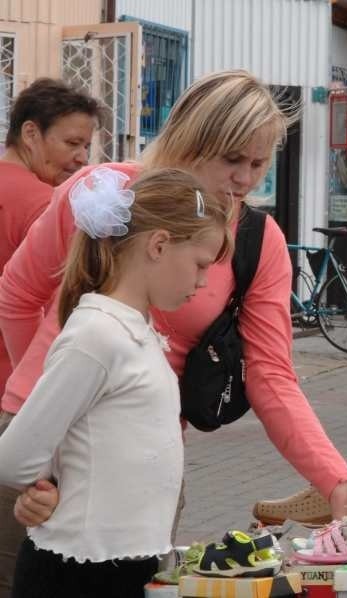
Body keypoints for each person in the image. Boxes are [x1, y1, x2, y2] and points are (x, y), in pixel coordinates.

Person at [0, 70, 347, 592]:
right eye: (231, 159)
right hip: (42, 446)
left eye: (258, 164)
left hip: (140, 451)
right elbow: (18, 296)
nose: (244, 179)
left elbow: (270, 375)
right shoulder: (106, 194)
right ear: (190, 141)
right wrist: (41, 401)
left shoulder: (257, 241)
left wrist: (335, 478)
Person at [0, 166, 232, 597]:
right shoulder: (97, 335)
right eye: (200, 265)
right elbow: (14, 457)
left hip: (122, 566)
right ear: (159, 245)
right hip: (79, 573)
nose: (203, 283)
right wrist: (43, 486)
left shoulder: (134, 331)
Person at [0, 78, 102, 596]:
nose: (80, 158)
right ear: (31, 134)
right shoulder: (47, 205)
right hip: (18, 408)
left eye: (87, 146)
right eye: (71, 143)